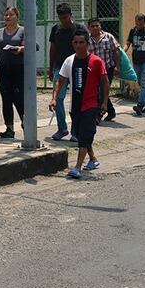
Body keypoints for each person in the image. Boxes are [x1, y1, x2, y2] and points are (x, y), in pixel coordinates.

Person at [53, 29, 108, 180]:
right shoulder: (69, 61)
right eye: (76, 42)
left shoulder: (96, 61)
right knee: (81, 134)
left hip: (91, 105)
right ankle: (93, 159)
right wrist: (54, 98)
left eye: (81, 42)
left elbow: (104, 82)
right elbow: (60, 81)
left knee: (85, 134)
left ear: (87, 43)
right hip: (75, 106)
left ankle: (77, 167)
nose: (78, 45)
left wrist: (104, 103)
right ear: (72, 43)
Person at [48, 3, 84, 138]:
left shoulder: (79, 29)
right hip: (60, 68)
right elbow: (53, 49)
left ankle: (76, 131)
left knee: (77, 99)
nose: (64, 21)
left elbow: (87, 48)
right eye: (61, 18)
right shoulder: (56, 29)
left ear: (71, 15)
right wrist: (51, 69)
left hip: (77, 68)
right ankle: (62, 128)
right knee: (57, 98)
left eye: (66, 17)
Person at [0, 7, 27, 138]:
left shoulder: (23, 31)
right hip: (4, 69)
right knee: (6, 98)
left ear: (17, 17)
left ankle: (27, 125)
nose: (8, 17)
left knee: (19, 99)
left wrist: (20, 48)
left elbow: (34, 46)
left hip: (18, 68)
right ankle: (9, 128)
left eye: (11, 15)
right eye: (6, 15)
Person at [86, 17, 119, 121]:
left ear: (100, 26)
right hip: (93, 70)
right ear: (89, 28)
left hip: (108, 68)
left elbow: (115, 52)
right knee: (100, 91)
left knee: (101, 91)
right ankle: (111, 111)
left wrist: (117, 67)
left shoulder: (108, 37)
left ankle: (98, 116)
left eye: (97, 25)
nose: (95, 28)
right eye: (92, 26)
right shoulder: (87, 40)